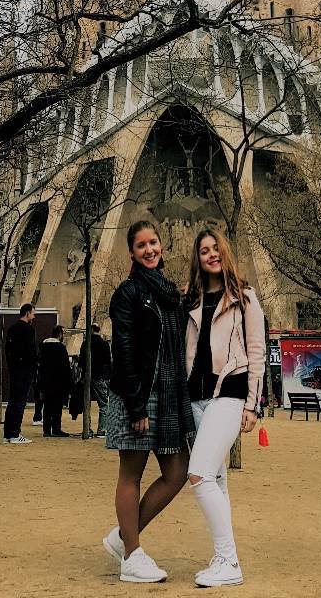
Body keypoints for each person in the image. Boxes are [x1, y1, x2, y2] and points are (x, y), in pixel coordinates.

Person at [102, 219, 195, 585]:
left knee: (178, 472)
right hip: (137, 395)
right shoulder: (128, 292)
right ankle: (132, 557)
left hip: (168, 397)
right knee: (131, 474)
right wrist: (137, 406)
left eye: (153, 242)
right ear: (132, 253)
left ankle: (123, 537)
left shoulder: (169, 293)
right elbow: (123, 351)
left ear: (162, 246)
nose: (149, 250)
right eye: (141, 245)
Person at [183, 228, 265, 589]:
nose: (211, 254)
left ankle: (229, 560)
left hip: (228, 394)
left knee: (198, 475)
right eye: (204, 250)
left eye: (216, 248)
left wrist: (253, 404)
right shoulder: (192, 300)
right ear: (198, 259)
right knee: (216, 480)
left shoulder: (245, 298)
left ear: (225, 252)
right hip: (197, 397)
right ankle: (223, 557)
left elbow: (257, 353)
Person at [3, 304, 38, 444]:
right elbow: (31, 351)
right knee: (20, 402)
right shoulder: (28, 329)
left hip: (14, 370)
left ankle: (8, 433)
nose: (34, 316)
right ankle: (15, 433)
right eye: (33, 313)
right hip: (24, 370)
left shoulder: (12, 329)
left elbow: (8, 350)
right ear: (27, 313)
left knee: (12, 401)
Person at [79, 323, 112, 438]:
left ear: (91, 330)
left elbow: (81, 362)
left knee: (86, 403)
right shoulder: (104, 344)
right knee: (103, 404)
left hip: (87, 377)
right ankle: (102, 430)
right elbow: (108, 362)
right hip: (99, 377)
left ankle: (87, 428)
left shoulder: (85, 343)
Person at [38, 325, 71, 438]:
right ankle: (56, 429)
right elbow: (65, 366)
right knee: (57, 406)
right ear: (60, 334)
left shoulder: (43, 346)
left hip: (45, 380)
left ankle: (46, 430)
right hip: (58, 381)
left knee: (47, 406)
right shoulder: (61, 348)